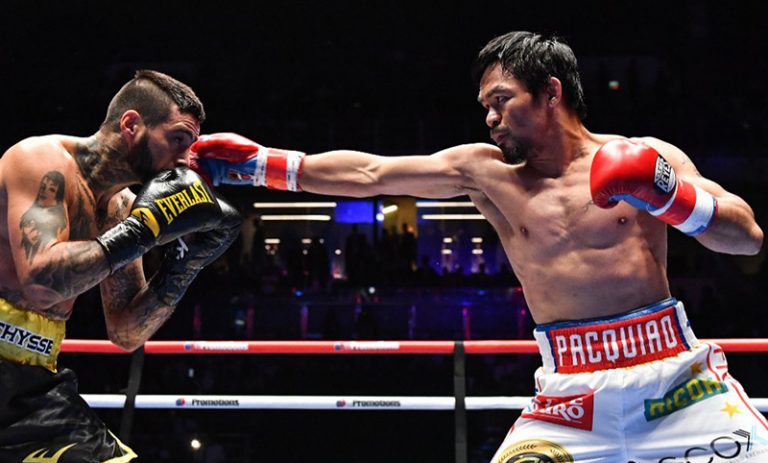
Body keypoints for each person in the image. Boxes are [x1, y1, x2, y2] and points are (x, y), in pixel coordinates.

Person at [189, 31, 765, 462]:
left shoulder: (647, 154)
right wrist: (261, 164)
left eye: (501, 100)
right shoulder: (487, 173)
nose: (490, 117)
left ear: (551, 92)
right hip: (571, 398)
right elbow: (370, 173)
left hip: (678, 383)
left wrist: (670, 196)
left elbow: (746, 238)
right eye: (485, 106)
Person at [0, 70, 242, 462]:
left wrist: (185, 265)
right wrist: (141, 231)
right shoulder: (41, 160)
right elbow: (41, 283)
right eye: (178, 139)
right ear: (131, 125)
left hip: (34, 383)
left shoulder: (123, 209)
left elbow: (126, 333)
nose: (185, 160)